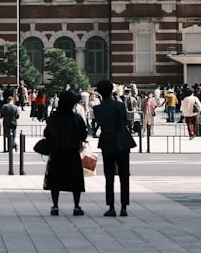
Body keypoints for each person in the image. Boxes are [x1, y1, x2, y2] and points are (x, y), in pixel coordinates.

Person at [92, 80, 135, 217]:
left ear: (99, 92)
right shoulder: (120, 105)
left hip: (107, 141)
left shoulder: (97, 109)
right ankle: (124, 207)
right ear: (112, 91)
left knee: (109, 176)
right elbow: (124, 121)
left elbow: (101, 123)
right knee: (124, 175)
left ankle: (111, 206)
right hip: (122, 140)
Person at [42, 90, 88, 216]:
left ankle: (55, 206)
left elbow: (46, 133)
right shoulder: (76, 118)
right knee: (75, 180)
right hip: (72, 151)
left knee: (55, 179)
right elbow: (83, 135)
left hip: (56, 151)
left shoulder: (54, 118)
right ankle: (77, 206)